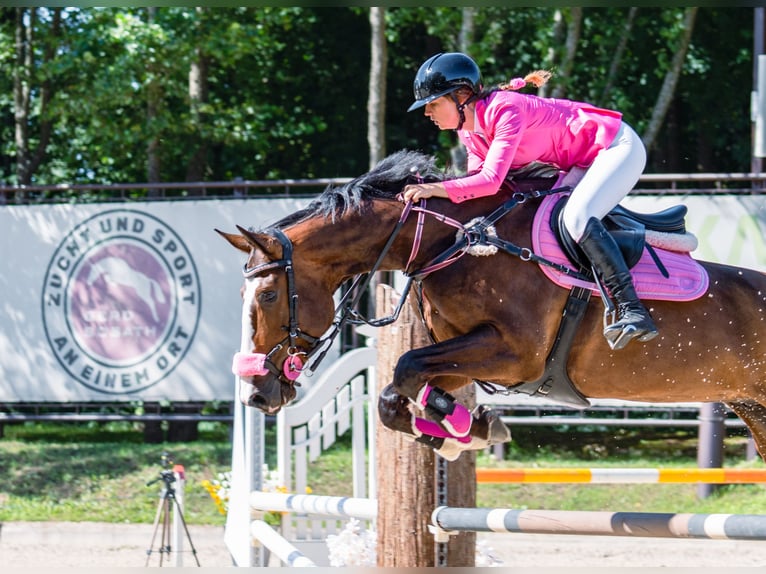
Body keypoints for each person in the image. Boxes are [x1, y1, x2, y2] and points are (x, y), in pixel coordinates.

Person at [402, 52, 658, 351]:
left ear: (462, 96)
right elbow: (478, 191)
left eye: (433, 104)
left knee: (576, 217)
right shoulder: (469, 132)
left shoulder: (505, 110)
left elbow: (490, 181)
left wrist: (436, 188)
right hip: (582, 163)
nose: (426, 112)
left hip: (616, 148)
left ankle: (632, 308)